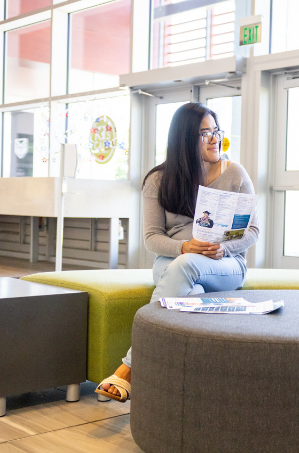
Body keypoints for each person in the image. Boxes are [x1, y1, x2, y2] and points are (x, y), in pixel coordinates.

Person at [95, 103, 260, 402]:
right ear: (184, 139)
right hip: (170, 263)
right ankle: (178, 386)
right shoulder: (158, 179)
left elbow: (253, 231)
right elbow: (151, 238)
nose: (214, 139)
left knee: (187, 268)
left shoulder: (235, 173)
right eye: (204, 133)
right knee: (190, 290)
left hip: (226, 265)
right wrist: (184, 247)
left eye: (216, 132)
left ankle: (130, 368)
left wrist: (223, 248)